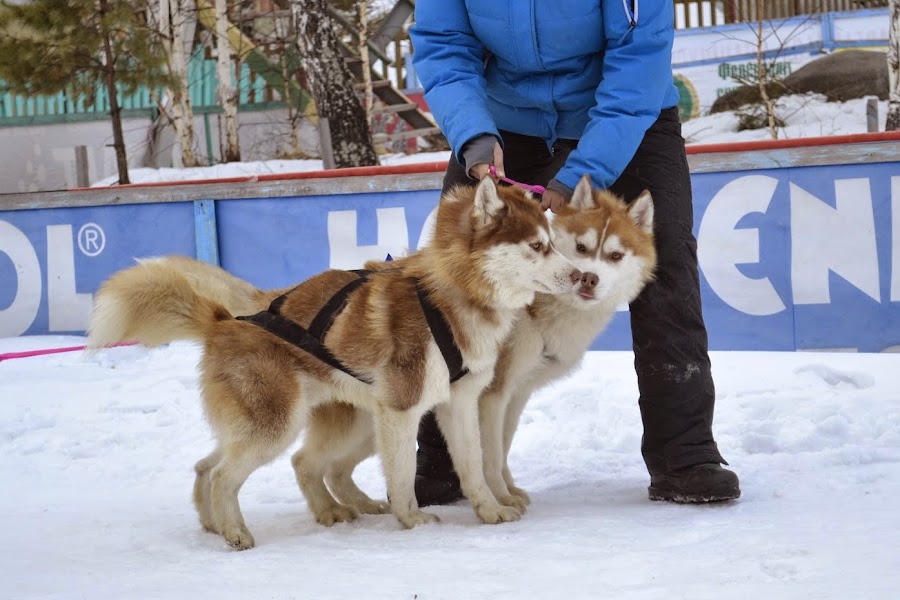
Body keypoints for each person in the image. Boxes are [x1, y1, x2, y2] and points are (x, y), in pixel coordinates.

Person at [408, 0, 740, 505]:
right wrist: (474, 136)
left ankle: (684, 454)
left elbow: (637, 63)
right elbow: (445, 46)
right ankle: (446, 460)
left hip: (627, 114)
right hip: (503, 119)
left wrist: (578, 174)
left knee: (664, 258)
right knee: (453, 277)